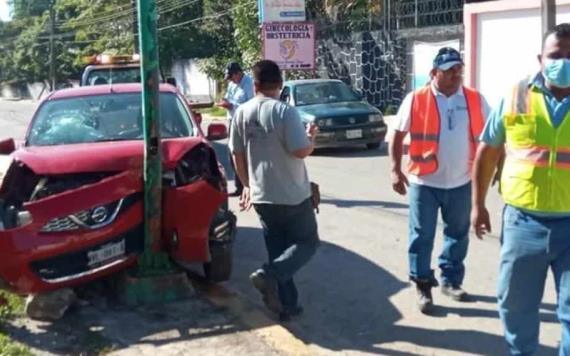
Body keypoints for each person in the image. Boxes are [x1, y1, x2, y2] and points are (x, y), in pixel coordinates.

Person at [472, 23, 570, 355]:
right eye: (557, 55)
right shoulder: (516, 95)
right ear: (540, 58)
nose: (564, 62)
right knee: (517, 307)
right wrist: (478, 204)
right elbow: (488, 151)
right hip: (523, 222)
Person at [389, 47, 490, 314]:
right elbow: (397, 136)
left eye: (459, 69)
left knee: (457, 235)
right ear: (434, 72)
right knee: (421, 236)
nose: (456, 74)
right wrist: (395, 170)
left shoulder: (473, 99)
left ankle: (451, 280)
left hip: (461, 181)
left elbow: (489, 138)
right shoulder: (416, 98)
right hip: (425, 182)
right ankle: (423, 284)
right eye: (449, 70)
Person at [228, 60, 319, 321]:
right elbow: (300, 150)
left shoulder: (242, 113)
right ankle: (268, 276)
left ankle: (286, 306)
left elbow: (237, 155)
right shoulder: (284, 111)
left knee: (278, 252)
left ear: (255, 85)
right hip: (292, 195)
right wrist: (311, 137)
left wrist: (247, 185)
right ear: (280, 84)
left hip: (262, 196)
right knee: (308, 243)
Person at [217, 61, 255, 197]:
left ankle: (250, 186)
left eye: (233, 76)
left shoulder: (249, 84)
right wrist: (224, 102)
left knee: (244, 154)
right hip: (232, 121)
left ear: (238, 73)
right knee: (232, 152)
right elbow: (228, 97)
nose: (232, 80)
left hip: (245, 123)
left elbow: (251, 105)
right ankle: (240, 186)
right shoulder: (232, 84)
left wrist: (231, 106)